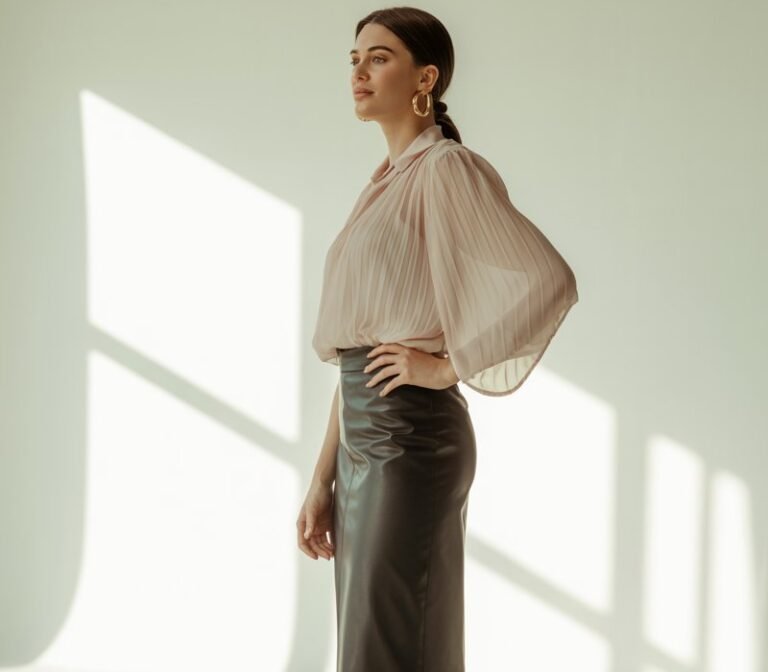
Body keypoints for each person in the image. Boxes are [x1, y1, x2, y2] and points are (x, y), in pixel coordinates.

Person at [296, 7, 579, 671]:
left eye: (380, 57)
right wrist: (322, 477)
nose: (359, 71)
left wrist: (448, 366)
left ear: (426, 77)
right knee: (371, 643)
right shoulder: (380, 189)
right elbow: (361, 351)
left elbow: (548, 280)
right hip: (364, 443)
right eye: (354, 58)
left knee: (388, 646)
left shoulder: (445, 169)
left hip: (412, 442)